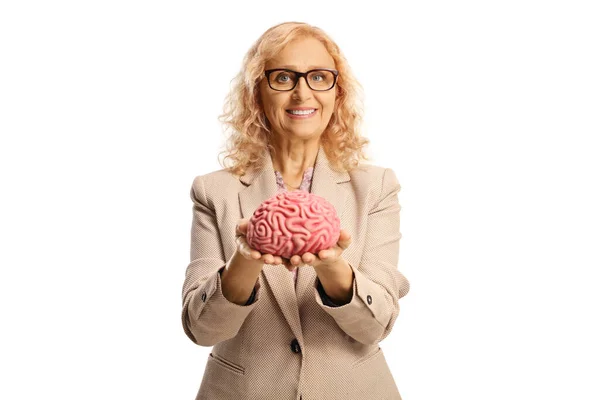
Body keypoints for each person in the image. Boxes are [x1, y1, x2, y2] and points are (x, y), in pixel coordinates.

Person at [181, 21, 410, 400]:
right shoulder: (214, 191)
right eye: (283, 77)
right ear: (257, 94)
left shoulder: (376, 187)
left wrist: (331, 264)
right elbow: (202, 329)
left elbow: (377, 325)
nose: (302, 93)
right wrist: (245, 258)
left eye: (319, 77)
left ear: (338, 93)